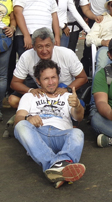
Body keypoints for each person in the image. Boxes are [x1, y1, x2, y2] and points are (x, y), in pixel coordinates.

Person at [13, 59, 86, 189]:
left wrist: (78, 105)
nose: (51, 82)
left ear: (58, 77)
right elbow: (18, 119)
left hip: (60, 135)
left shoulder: (67, 96)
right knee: (21, 126)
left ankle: (55, 168)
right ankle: (61, 165)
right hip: (38, 135)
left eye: (54, 77)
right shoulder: (29, 97)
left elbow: (79, 117)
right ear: (38, 81)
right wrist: (28, 117)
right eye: (46, 79)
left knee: (78, 133)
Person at [10, 28, 88, 109]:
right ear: (33, 47)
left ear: (53, 44)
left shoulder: (67, 54)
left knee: (77, 108)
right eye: (40, 46)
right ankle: (28, 113)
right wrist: (31, 90)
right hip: (42, 93)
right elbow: (14, 83)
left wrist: (67, 89)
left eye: (47, 46)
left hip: (64, 92)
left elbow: (83, 78)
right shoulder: (26, 56)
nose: (44, 51)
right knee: (13, 100)